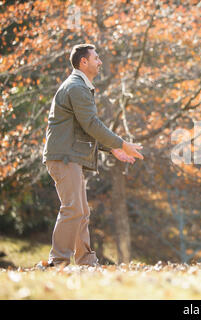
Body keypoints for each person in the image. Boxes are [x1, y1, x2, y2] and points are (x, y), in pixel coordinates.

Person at [41, 43, 144, 267]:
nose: (100, 62)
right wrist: (121, 143)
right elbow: (90, 123)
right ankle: (57, 261)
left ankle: (86, 260)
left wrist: (112, 148)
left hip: (69, 156)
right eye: (96, 58)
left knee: (81, 211)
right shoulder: (76, 87)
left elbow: (83, 126)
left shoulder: (80, 86)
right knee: (73, 209)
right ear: (83, 62)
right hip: (64, 157)